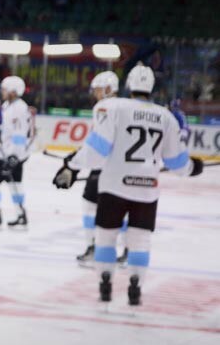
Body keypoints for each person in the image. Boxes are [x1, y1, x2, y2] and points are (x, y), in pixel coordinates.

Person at [52, 65, 204, 306]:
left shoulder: (112, 107)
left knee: (106, 237)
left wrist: (71, 165)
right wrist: (193, 167)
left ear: (129, 85)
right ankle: (136, 284)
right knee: (140, 241)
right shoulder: (165, 116)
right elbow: (177, 162)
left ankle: (105, 283)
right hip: (147, 189)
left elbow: (96, 151)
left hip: (113, 187)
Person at [76, 71, 128, 268]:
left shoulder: (103, 107)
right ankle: (128, 251)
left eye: (98, 89)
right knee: (121, 209)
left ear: (108, 89)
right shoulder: (126, 106)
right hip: (123, 166)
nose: (96, 94)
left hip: (103, 164)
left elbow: (100, 143)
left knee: (89, 204)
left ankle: (92, 247)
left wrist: (77, 161)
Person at [0, 75, 32, 228]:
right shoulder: (8, 106)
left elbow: (20, 134)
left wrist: (13, 156)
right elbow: (8, 128)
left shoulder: (19, 108)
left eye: (5, 89)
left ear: (13, 91)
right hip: (11, 153)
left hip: (11, 155)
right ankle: (21, 215)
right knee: (15, 184)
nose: (2, 92)